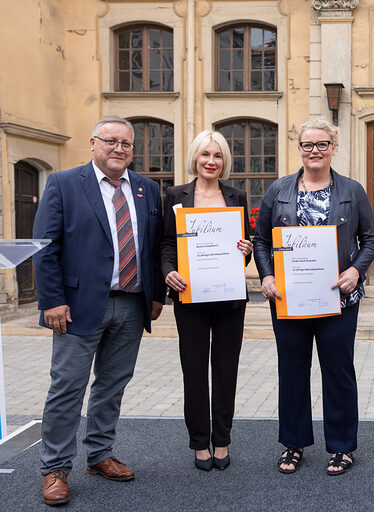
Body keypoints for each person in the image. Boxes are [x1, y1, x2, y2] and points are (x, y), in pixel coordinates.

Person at [32, 116, 165, 506]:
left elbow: (154, 246)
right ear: (93, 143)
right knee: (67, 387)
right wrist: (52, 300)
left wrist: (155, 295)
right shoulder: (64, 184)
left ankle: (100, 454)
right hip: (75, 308)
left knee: (112, 386)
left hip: (131, 305)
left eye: (126, 143)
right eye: (111, 141)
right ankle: (55, 467)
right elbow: (45, 247)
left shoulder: (146, 189)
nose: (119, 149)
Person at [253, 118, 374, 476]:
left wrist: (356, 270)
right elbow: (262, 240)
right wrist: (266, 275)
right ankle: (293, 444)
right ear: (299, 148)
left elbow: (371, 239)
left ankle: (341, 447)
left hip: (339, 301)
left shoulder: (351, 191)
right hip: (289, 299)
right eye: (308, 145)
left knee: (338, 373)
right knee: (292, 372)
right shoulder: (278, 191)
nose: (315, 151)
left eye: (322, 144)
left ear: (333, 148)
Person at [161, 131, 253, 471]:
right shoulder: (176, 195)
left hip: (229, 298)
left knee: (226, 369)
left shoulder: (236, 196)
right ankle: (200, 441)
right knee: (195, 370)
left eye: (217, 155)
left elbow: (243, 246)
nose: (210, 161)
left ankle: (222, 439)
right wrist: (169, 271)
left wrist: (246, 250)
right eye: (205, 155)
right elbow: (167, 243)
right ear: (195, 158)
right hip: (190, 295)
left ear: (224, 160)